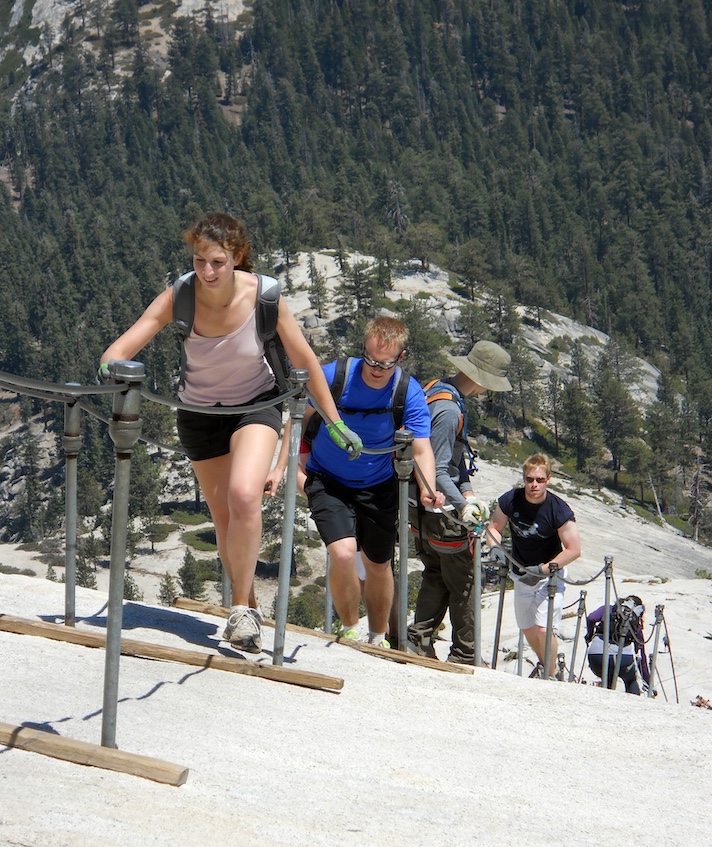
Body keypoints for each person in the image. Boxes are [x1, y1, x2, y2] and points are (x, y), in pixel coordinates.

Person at [100, 212, 360, 654]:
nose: (207, 271)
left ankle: (240, 606)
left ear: (237, 256)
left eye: (218, 261)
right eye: (200, 260)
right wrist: (111, 368)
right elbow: (124, 346)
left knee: (244, 496)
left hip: (254, 408)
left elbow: (306, 360)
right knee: (223, 520)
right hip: (198, 416)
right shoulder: (179, 295)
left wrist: (334, 423)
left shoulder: (265, 297)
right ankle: (249, 609)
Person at [276, 317, 444, 648]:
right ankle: (350, 627)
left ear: (401, 357)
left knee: (378, 565)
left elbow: (422, 448)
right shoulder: (333, 377)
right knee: (342, 553)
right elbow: (298, 419)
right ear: (362, 350)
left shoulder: (407, 391)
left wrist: (428, 488)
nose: (376, 370)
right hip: (327, 479)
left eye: (385, 364)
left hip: (378, 485)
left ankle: (378, 636)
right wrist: (286, 468)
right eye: (370, 360)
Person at [408, 341, 512, 664]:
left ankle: (418, 641)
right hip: (440, 508)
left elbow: (454, 461)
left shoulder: (437, 390)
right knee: (465, 578)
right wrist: (462, 505)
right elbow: (437, 470)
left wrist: (467, 492)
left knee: (436, 572)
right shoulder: (451, 411)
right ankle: (465, 653)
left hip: (420, 506)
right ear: (482, 380)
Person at [486, 453, 581, 677]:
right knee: (527, 627)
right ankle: (547, 667)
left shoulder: (558, 509)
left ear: (548, 480)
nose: (534, 485)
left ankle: (550, 674)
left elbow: (574, 549)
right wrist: (495, 548)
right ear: (524, 479)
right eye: (529, 479)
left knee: (543, 628)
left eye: (539, 480)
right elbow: (494, 527)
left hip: (549, 576)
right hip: (520, 573)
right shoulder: (511, 500)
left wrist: (544, 570)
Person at [586, 595, 650, 695]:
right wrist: (647, 680)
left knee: (607, 677)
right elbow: (640, 653)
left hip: (598, 656)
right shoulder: (634, 621)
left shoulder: (608, 609)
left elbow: (591, 618)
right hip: (624, 659)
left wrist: (589, 636)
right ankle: (635, 705)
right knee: (631, 680)